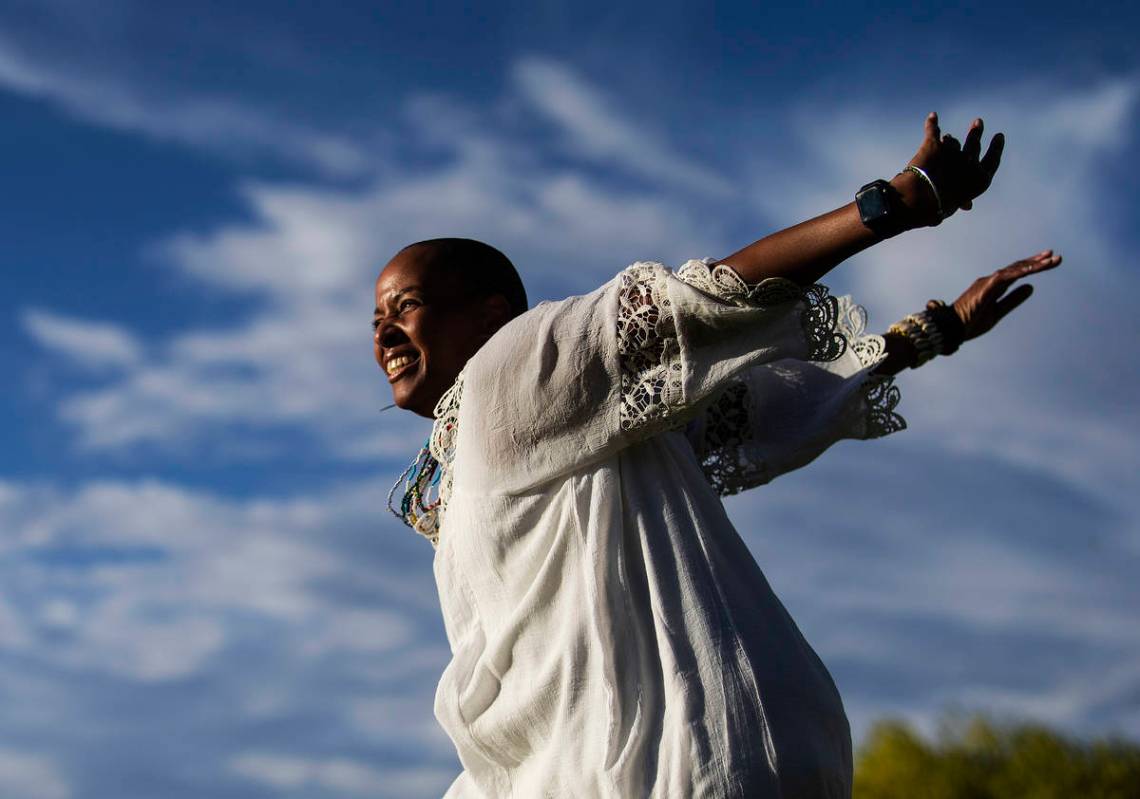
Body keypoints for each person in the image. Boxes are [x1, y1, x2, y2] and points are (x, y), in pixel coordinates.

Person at [372, 112, 1062, 798]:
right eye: (377, 319)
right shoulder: (525, 438)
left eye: (406, 306)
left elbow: (689, 306)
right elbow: (762, 407)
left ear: (492, 316)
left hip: (674, 761)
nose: (385, 332)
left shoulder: (510, 371)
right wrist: (928, 332)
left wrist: (888, 207)